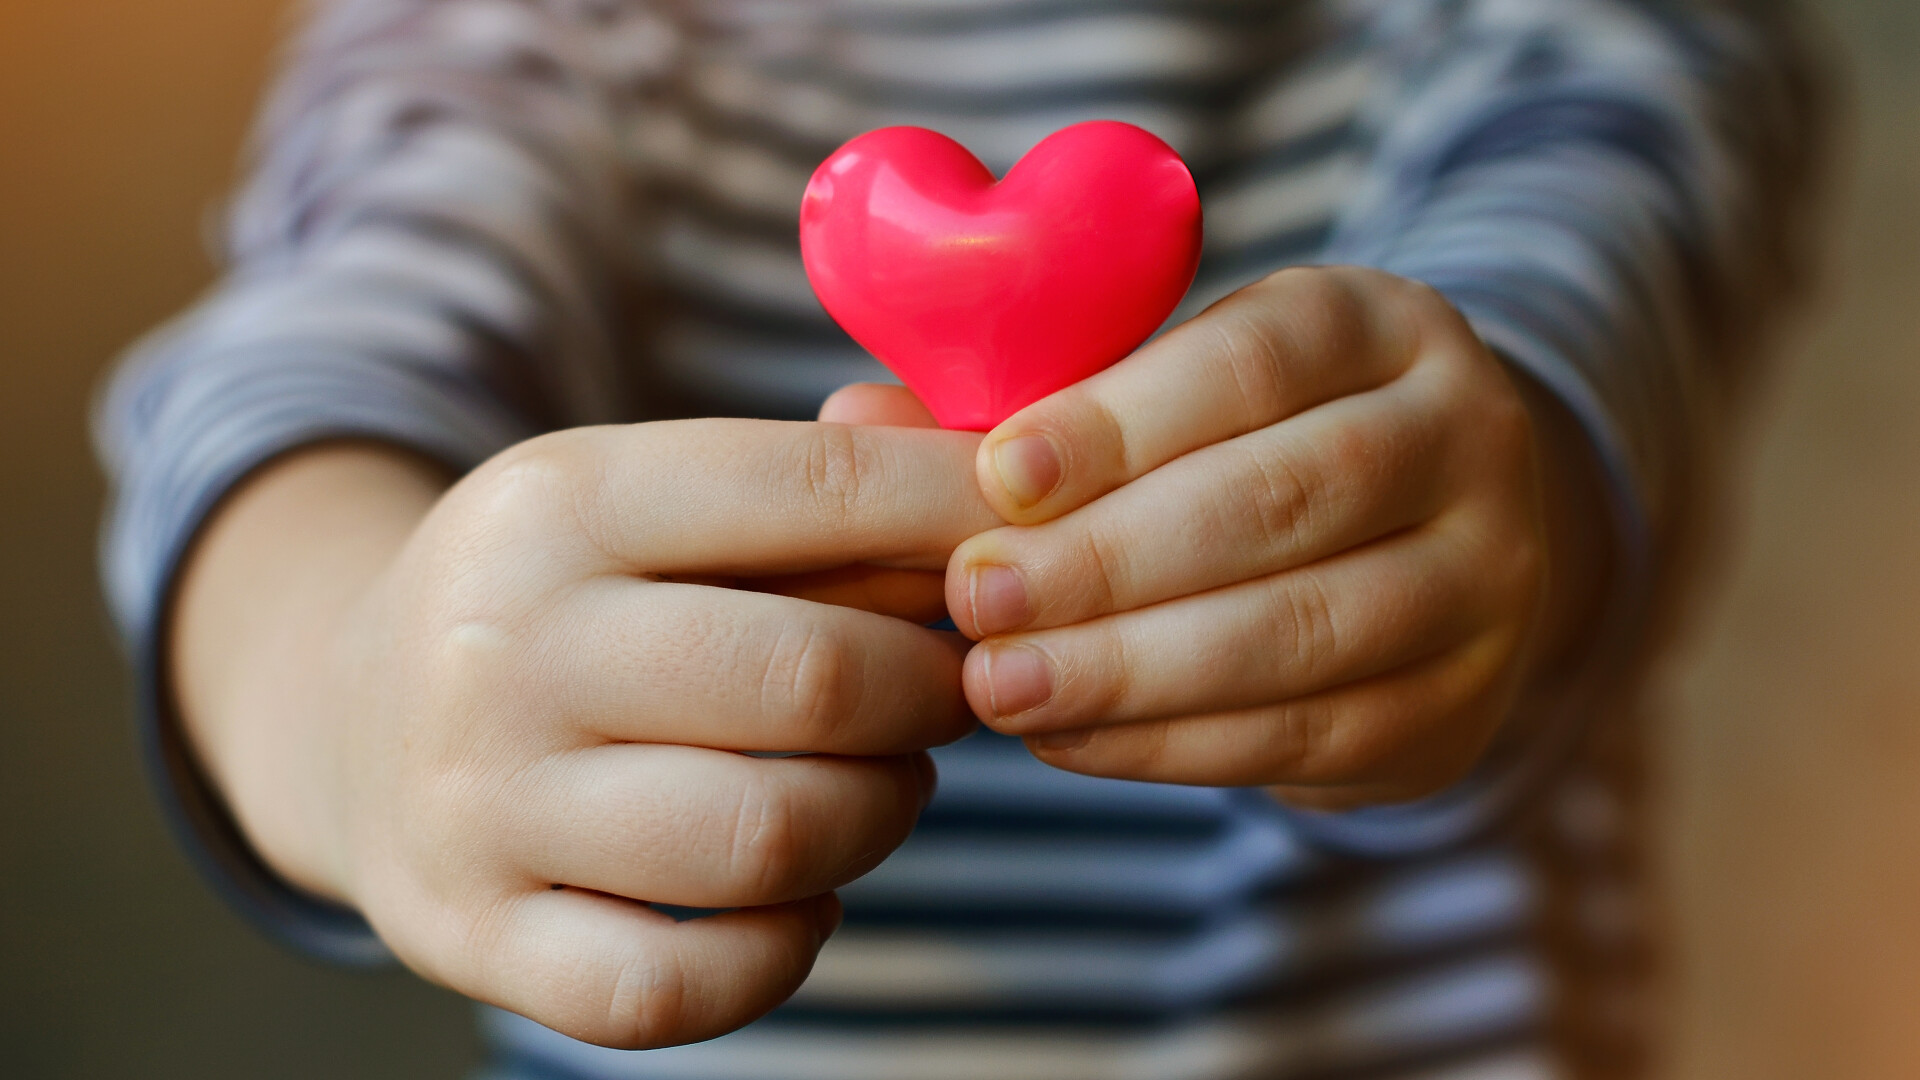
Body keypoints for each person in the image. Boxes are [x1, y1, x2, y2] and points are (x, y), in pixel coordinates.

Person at [95, 0, 1821, 1077]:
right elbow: (298, 375)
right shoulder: (527, 36)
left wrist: (1490, 511)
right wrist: (355, 685)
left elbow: (1612, 233)